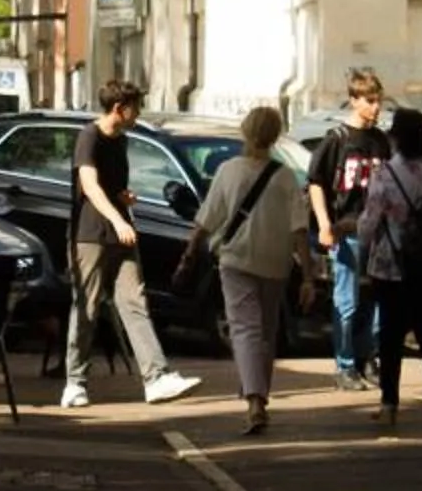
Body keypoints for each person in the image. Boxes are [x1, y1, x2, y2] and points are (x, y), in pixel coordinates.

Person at [61, 79, 201, 409]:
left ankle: (156, 378)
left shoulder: (121, 141)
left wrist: (123, 198)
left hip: (120, 233)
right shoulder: (89, 136)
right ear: (119, 109)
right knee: (88, 305)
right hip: (91, 234)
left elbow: (108, 187)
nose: (138, 113)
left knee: (134, 300)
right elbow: (90, 187)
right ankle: (74, 382)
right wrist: (119, 219)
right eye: (135, 107)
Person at [193, 104, 311, 434]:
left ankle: (255, 398)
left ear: (245, 132)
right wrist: (310, 276)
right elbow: (299, 228)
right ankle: (258, 393)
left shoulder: (229, 170)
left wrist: (189, 254)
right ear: (275, 137)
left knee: (244, 328)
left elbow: (207, 219)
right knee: (267, 330)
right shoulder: (285, 176)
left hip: (235, 260)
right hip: (276, 263)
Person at [352, 107, 422, 429]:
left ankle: (389, 404)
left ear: (396, 137)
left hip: (391, 265)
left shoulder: (385, 173)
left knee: (391, 336)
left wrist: (362, 244)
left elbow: (369, 223)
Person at [305, 69, 392, 392]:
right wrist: (326, 224)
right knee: (347, 301)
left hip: (380, 234)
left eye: (378, 101)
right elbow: (316, 183)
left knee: (377, 301)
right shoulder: (337, 140)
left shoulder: (381, 141)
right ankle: (344, 365)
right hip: (347, 231)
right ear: (354, 101)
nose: (376, 107)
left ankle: (367, 357)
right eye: (369, 101)